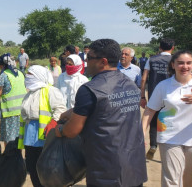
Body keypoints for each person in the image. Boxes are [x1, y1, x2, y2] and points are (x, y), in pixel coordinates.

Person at [55, 39, 147, 187]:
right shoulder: (129, 84)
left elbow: (72, 131)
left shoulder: (89, 89)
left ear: (102, 61)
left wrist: (60, 130)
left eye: (89, 58)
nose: (86, 62)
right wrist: (73, 111)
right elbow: (110, 108)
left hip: (106, 167)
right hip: (133, 162)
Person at [141, 50, 192, 187]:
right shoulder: (163, 86)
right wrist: (141, 132)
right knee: (171, 179)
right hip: (169, 137)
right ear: (173, 65)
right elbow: (150, 110)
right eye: (180, 63)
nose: (185, 66)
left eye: (189, 63)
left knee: (190, 179)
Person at [19, 65, 66, 187]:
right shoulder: (30, 93)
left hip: (45, 136)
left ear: (38, 76)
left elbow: (60, 108)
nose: (27, 77)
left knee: (45, 168)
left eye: (30, 74)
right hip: (30, 135)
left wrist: (54, 121)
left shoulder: (51, 91)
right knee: (31, 166)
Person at [140, 38, 175, 159]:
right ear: (173, 48)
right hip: (170, 94)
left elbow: (144, 78)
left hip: (154, 93)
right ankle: (169, 146)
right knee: (170, 119)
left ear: (160, 48)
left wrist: (142, 96)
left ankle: (153, 145)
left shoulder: (152, 59)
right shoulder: (175, 60)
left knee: (153, 119)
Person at [0, 53, 27, 146]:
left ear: (3, 65)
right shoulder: (20, 73)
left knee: (9, 137)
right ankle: (18, 156)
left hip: (9, 111)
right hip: (22, 110)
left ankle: (9, 157)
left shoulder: (4, 75)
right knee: (19, 136)